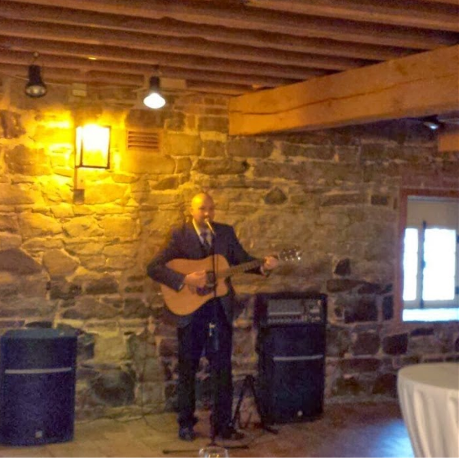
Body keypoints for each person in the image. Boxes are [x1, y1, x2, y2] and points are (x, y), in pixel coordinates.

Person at [147, 192, 278, 442]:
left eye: (211, 208)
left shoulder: (225, 233)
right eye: (202, 209)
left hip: (219, 310)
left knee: (222, 368)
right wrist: (185, 279)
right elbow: (153, 267)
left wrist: (263, 266)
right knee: (188, 367)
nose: (207, 213)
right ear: (192, 210)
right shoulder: (179, 235)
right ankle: (186, 423)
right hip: (190, 312)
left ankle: (223, 424)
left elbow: (243, 261)